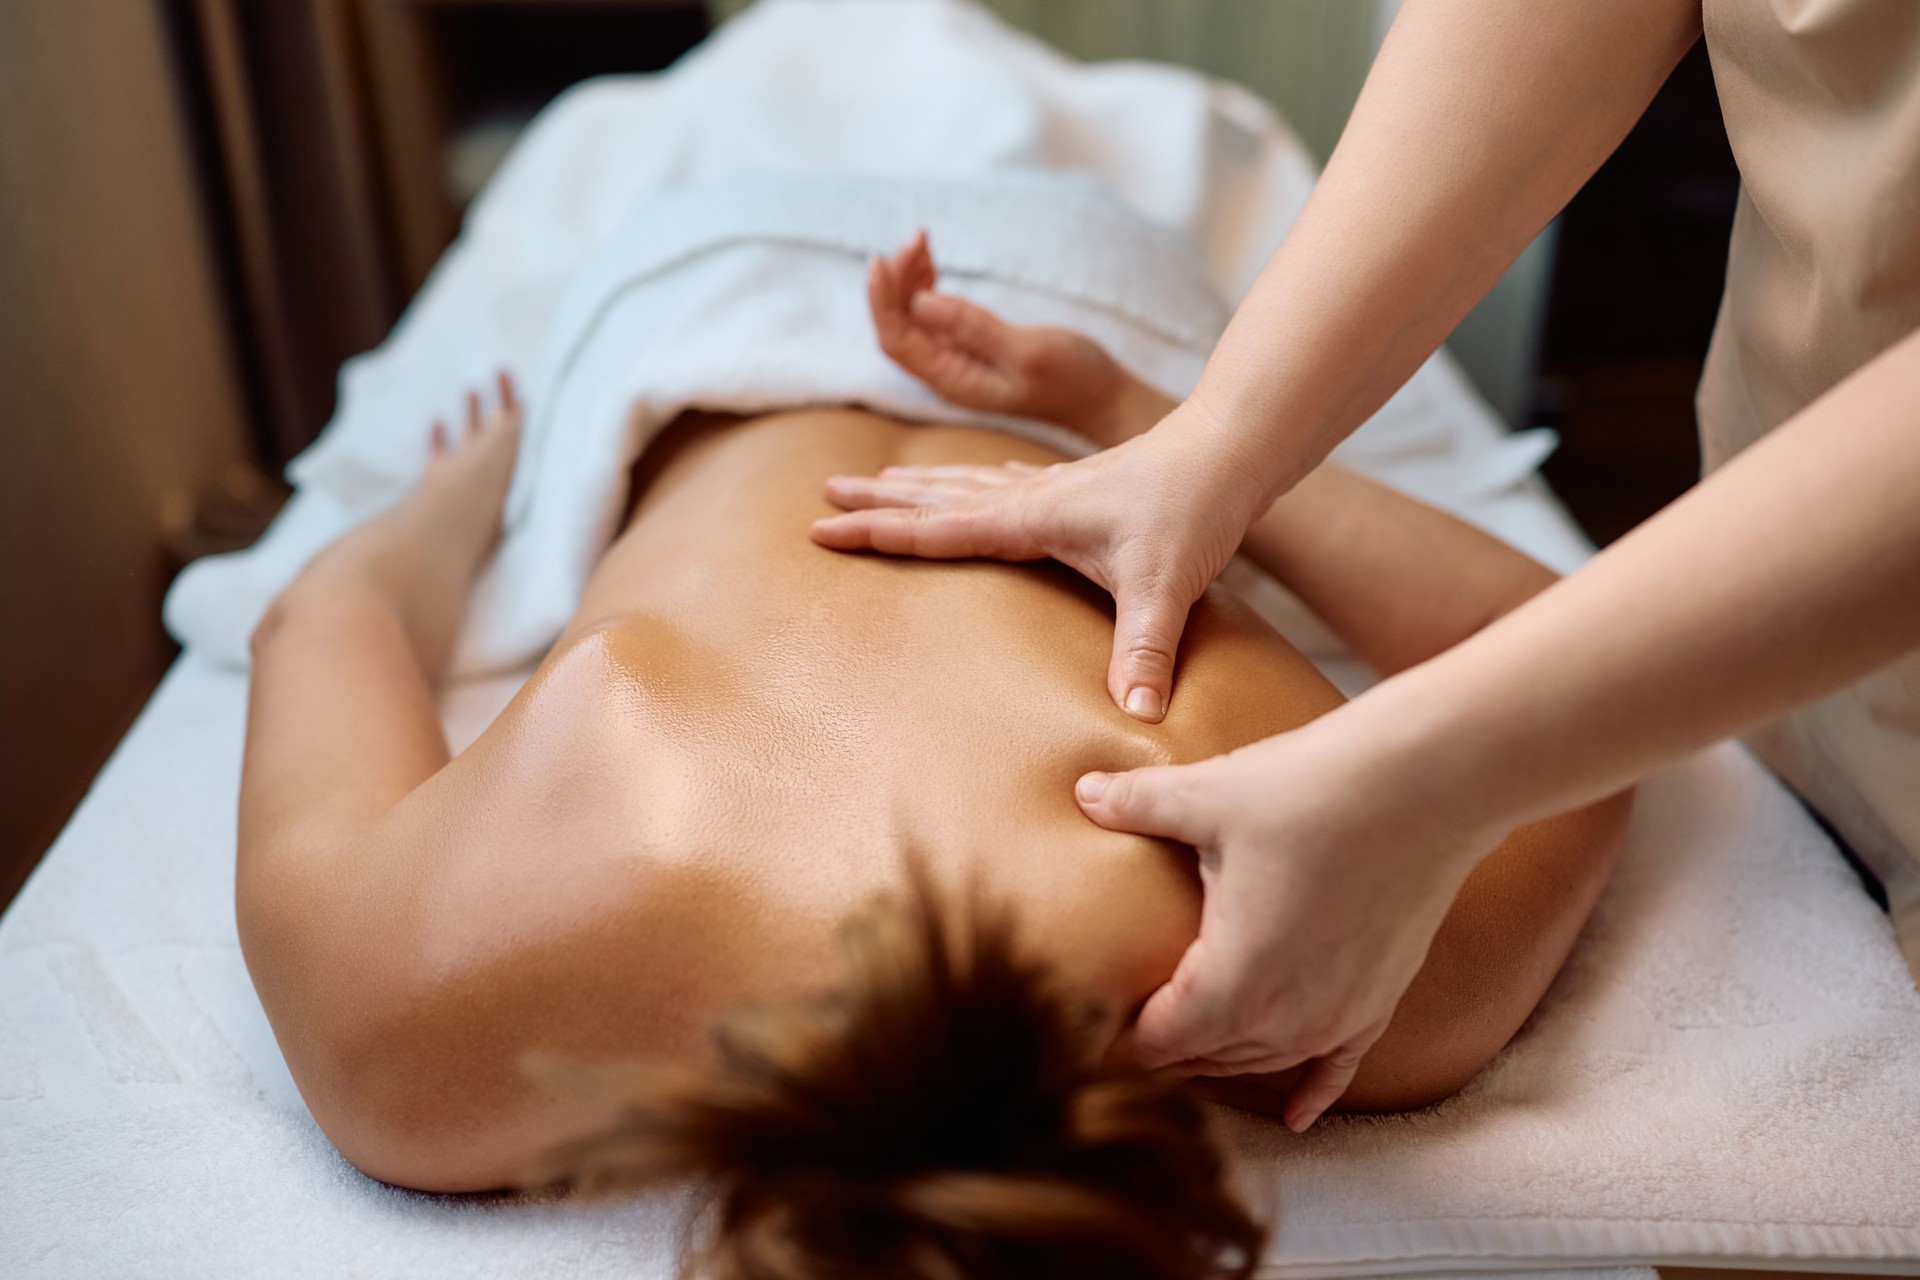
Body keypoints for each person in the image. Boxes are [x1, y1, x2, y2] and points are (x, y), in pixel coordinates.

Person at [235, 237, 1625, 1272]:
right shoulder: (403, 1046)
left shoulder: (1363, 964)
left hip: (1071, 308)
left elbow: (1573, 677)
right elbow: (327, 618)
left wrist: (1169, 426)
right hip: (742, 321)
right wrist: (460, 508)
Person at [812, 0, 1920, 1133]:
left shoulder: (1383, 1006)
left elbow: (1535, 655)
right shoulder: (1366, 991)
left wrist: (1180, 432)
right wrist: (1183, 435)